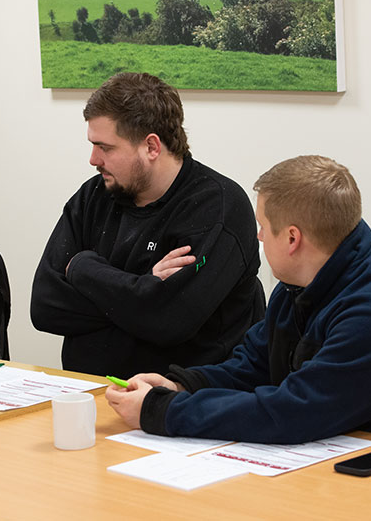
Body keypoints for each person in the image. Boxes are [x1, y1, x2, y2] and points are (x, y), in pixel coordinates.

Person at [106, 155, 371, 443]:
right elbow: (253, 366)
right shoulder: (303, 283)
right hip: (334, 454)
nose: (258, 235)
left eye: (263, 226)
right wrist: (181, 386)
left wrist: (161, 411)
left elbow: (296, 411)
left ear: (292, 238)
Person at [31, 72, 264, 378]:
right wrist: (144, 288)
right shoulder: (94, 196)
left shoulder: (217, 207)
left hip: (181, 404)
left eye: (106, 147)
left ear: (152, 147)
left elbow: (169, 320)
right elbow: (45, 306)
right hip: (91, 392)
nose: (92, 159)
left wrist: (83, 268)